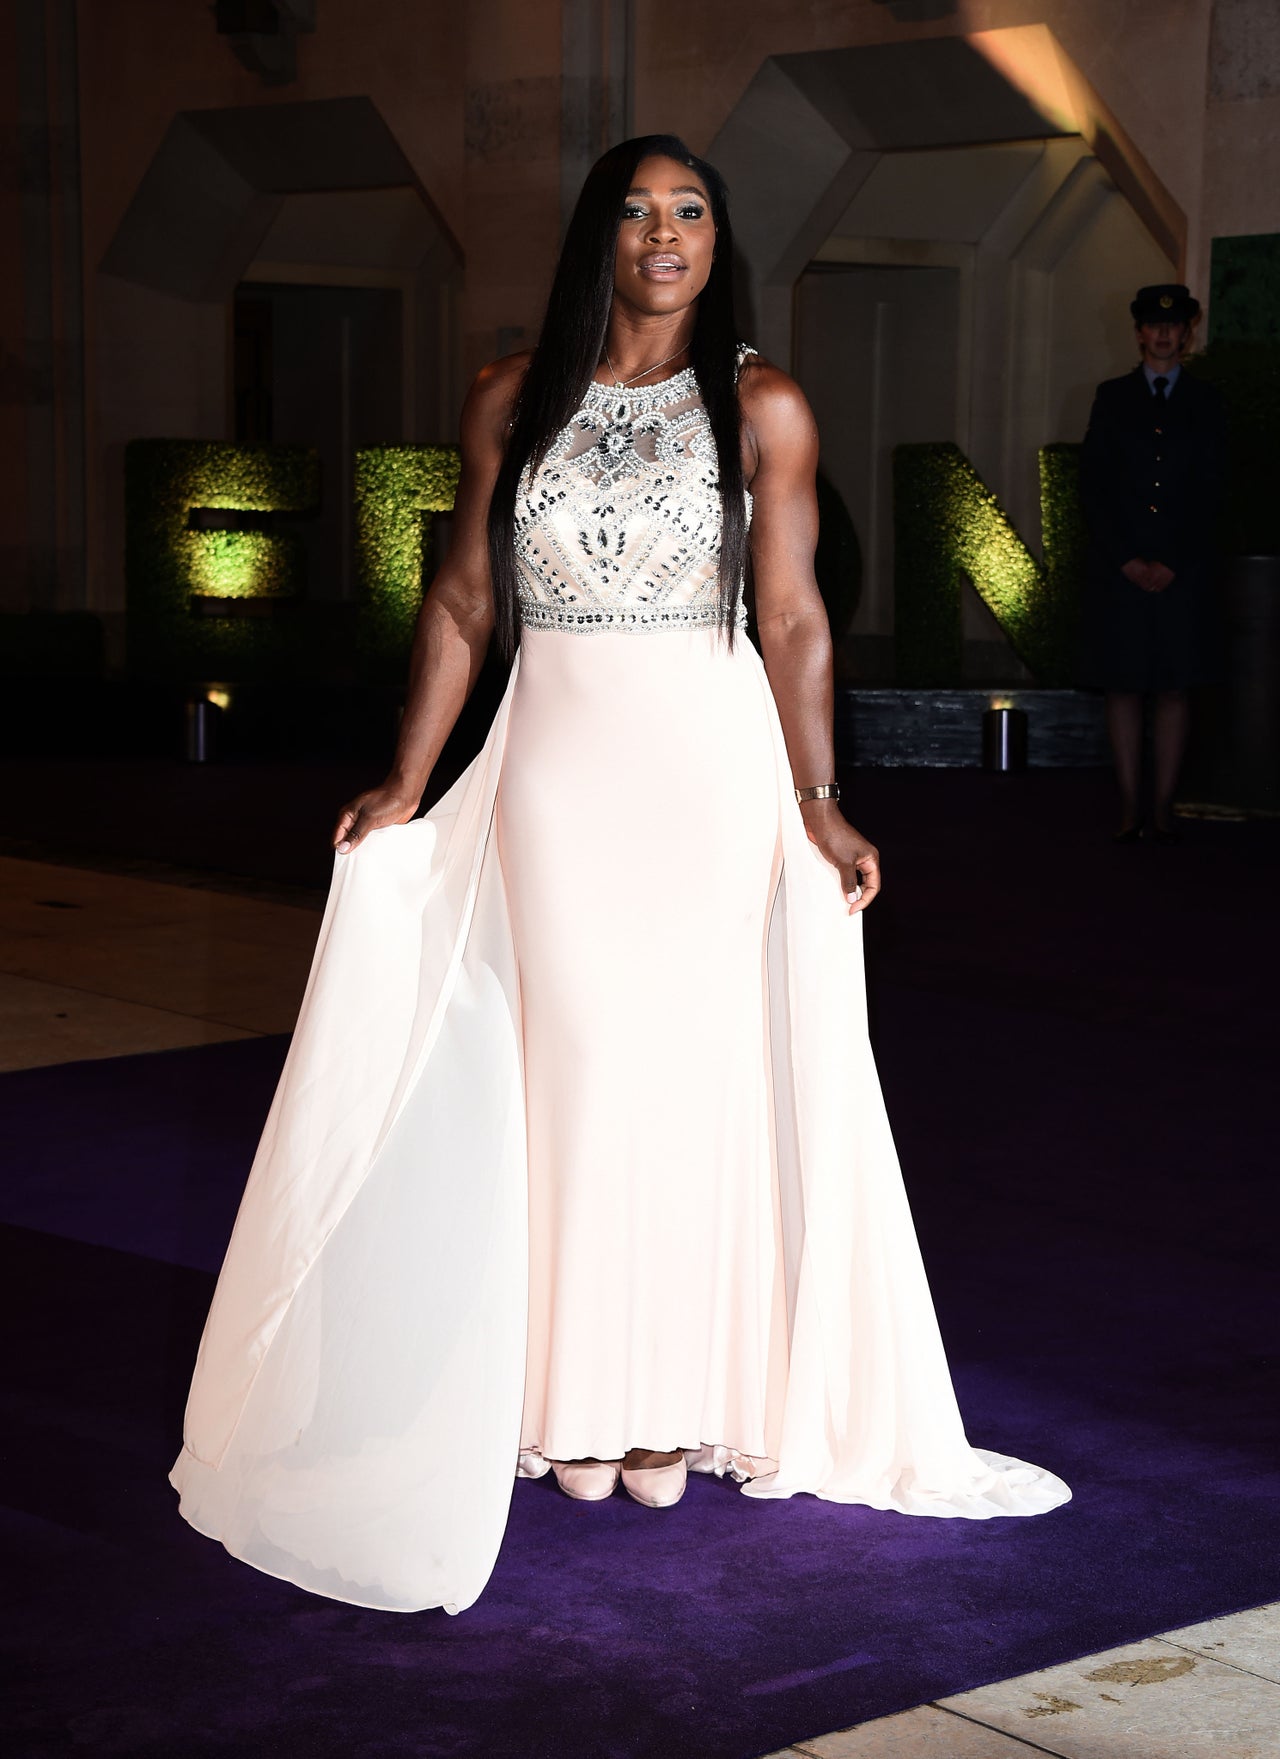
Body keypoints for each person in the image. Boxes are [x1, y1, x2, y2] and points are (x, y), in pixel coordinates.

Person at [170, 135, 1069, 1615]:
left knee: (682, 1077)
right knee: (569, 1066)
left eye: (694, 212)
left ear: (720, 241)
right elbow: (464, 595)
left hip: (704, 769)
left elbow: (792, 618)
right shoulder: (508, 398)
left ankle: (667, 1396)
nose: (667, 236)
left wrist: (821, 801)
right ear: (603, 235)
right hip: (557, 769)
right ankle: (561, 1389)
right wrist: (410, 776)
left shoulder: (763, 402)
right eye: (642, 213)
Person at [1081, 283, 1227, 842]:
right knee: (1122, 685)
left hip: (1180, 572)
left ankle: (1162, 807)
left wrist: (1173, 560)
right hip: (1122, 570)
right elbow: (1094, 486)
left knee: (1173, 688)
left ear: (1187, 333)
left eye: (1174, 325)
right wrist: (1125, 559)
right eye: (1153, 324)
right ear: (1139, 332)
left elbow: (1214, 491)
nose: (1164, 333)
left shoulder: (1207, 401)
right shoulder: (1111, 396)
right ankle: (1128, 805)